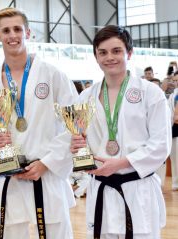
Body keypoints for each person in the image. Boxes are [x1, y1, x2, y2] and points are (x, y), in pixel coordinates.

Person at [0, 7, 78, 239]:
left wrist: (48, 162)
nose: (12, 35)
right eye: (6, 30)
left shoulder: (53, 75)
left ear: (28, 33)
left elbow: (73, 125)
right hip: (7, 177)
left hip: (46, 173)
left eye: (17, 29)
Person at [71, 25, 171, 239]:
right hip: (101, 189)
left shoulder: (150, 93)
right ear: (95, 56)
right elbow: (80, 140)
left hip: (137, 188)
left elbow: (161, 144)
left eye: (116, 51)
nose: (109, 58)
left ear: (129, 53)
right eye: (103, 52)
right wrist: (77, 148)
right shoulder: (85, 97)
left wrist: (123, 162)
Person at [168, 88, 178, 191]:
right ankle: (176, 183)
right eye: (175, 80)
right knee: (175, 158)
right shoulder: (172, 96)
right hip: (175, 129)